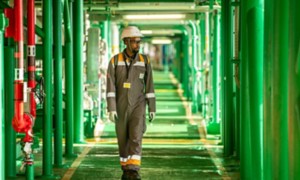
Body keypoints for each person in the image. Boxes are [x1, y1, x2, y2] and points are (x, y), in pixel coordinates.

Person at [106, 26, 156, 180]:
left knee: (135, 136)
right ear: (126, 42)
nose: (138, 45)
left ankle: (133, 169)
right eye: (135, 42)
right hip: (120, 106)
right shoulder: (115, 61)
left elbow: (149, 86)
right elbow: (110, 87)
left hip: (138, 105)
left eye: (139, 42)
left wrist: (151, 107)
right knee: (122, 138)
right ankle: (125, 166)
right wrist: (111, 108)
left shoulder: (145, 61)